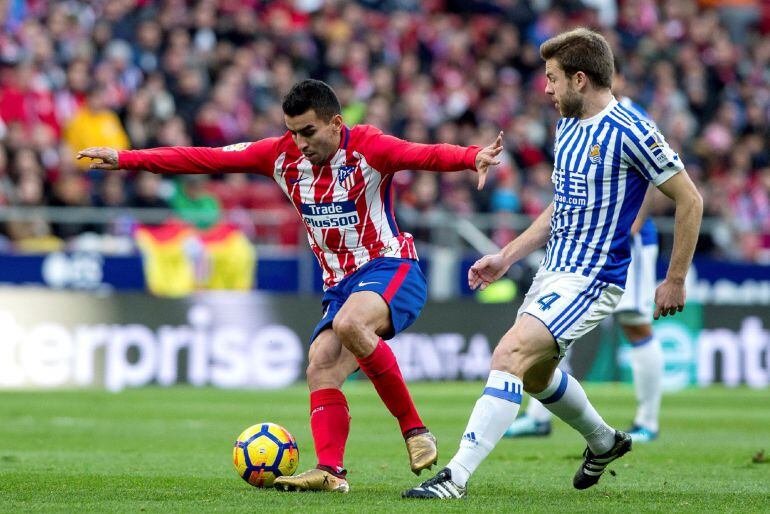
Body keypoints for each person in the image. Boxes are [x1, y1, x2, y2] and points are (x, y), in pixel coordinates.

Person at [77, 79, 503, 494]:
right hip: (340, 284)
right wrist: (126, 158)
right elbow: (203, 158)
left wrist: (471, 157)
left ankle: (415, 430)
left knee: (353, 324)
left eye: (308, 131)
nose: (299, 141)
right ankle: (331, 470)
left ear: (336, 123)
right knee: (320, 363)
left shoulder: (369, 147)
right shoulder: (278, 156)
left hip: (390, 267)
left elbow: (422, 154)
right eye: (292, 131)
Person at [404, 28, 702, 499]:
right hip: (553, 270)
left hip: (592, 276)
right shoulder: (567, 125)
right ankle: (604, 441)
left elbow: (690, 200)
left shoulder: (633, 129)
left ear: (579, 79)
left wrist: (675, 278)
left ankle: (455, 477)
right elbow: (560, 207)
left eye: (552, 78)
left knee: (510, 355)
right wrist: (506, 255)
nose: (545, 88)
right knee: (539, 375)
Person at [505, 57, 664, 443]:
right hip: (578, 245)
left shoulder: (632, 119)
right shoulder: (576, 120)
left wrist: (632, 226)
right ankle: (539, 415)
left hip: (628, 243)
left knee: (634, 324)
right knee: (553, 326)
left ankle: (648, 421)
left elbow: (660, 180)